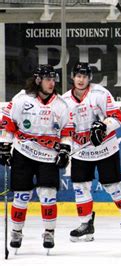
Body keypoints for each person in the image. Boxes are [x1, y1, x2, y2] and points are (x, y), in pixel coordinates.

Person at [0, 64, 72, 252]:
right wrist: (5, 146)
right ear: (38, 80)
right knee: (21, 195)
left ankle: (49, 232)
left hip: (49, 156)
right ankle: (16, 231)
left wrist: (65, 150)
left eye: (53, 79)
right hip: (24, 153)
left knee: (48, 195)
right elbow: (8, 124)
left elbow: (67, 131)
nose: (52, 83)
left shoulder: (61, 105)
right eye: (48, 79)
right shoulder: (21, 100)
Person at [62, 62, 121, 242]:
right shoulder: (65, 101)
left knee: (112, 186)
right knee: (80, 187)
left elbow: (118, 118)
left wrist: (102, 126)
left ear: (90, 78)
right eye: (78, 76)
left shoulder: (100, 94)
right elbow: (64, 129)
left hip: (105, 148)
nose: (81, 79)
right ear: (72, 77)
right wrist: (64, 147)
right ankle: (86, 223)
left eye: (84, 76)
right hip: (80, 151)